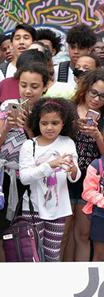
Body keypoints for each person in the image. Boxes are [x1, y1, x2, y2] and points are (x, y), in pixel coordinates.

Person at [0, 62, 49, 262]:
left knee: (29, 228)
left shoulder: (47, 111)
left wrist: (28, 128)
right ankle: (5, 267)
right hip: (4, 176)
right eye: (23, 85)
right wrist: (7, 125)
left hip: (32, 179)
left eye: (34, 86)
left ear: (45, 87)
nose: (28, 91)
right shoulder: (7, 106)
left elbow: (44, 149)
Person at [19, 98, 79, 262]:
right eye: (44, 123)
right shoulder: (29, 145)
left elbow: (74, 176)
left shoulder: (67, 143)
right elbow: (25, 178)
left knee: (53, 255)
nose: (49, 127)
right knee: (33, 255)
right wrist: (50, 165)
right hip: (32, 208)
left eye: (55, 123)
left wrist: (73, 170)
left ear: (63, 123)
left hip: (59, 209)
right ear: (37, 122)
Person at [64, 69, 104, 261]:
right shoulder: (68, 109)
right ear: (85, 89)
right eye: (93, 93)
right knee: (64, 232)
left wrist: (97, 136)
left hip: (90, 182)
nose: (96, 99)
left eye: (102, 96)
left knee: (83, 234)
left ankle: (80, 273)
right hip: (66, 175)